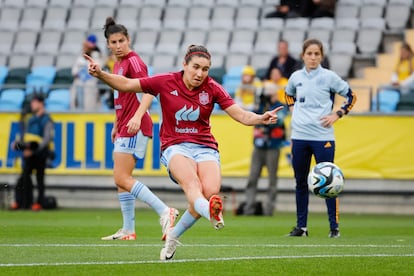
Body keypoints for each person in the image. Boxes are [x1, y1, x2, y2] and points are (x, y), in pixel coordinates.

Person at [85, 44, 283, 260]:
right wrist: (101, 74)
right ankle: (212, 213)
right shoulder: (165, 81)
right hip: (175, 147)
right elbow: (126, 84)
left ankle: (173, 237)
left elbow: (241, 115)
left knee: (209, 192)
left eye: (205, 69)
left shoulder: (213, 87)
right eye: (196, 67)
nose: (200, 73)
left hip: (205, 147)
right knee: (193, 186)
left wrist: (260, 118)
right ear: (184, 65)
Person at [99, 17, 179, 241]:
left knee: (121, 177)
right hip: (124, 126)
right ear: (108, 44)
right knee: (121, 179)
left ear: (128, 40)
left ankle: (165, 211)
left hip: (136, 126)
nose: (117, 46)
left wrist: (136, 116)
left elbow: (149, 91)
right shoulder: (117, 64)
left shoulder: (134, 62)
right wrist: (117, 123)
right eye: (113, 42)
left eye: (121, 41)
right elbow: (122, 96)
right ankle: (128, 229)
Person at [284, 39, 357, 238]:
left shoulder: (329, 77)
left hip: (323, 137)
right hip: (299, 136)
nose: (313, 57)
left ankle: (334, 228)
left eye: (317, 54)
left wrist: (337, 114)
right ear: (303, 56)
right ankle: (302, 228)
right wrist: (293, 110)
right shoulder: (296, 77)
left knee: (330, 184)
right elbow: (288, 94)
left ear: (321, 56)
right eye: (309, 53)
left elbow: (351, 96)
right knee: (300, 182)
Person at [242, 81, 288, 216]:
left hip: (273, 146)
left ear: (274, 93)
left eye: (269, 92)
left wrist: (267, 113)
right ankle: (248, 208)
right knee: (253, 177)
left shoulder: (280, 106)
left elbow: (278, 121)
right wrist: (259, 105)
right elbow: (251, 117)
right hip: (259, 145)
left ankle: (269, 209)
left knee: (272, 179)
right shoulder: (260, 105)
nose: (266, 95)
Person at [10, 94, 54, 211]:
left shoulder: (47, 120)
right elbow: (26, 138)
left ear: (41, 104)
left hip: (40, 154)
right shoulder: (31, 120)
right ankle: (24, 202)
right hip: (28, 154)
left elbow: (46, 140)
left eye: (34, 102)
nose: (32, 105)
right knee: (24, 177)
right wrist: (21, 146)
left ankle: (39, 202)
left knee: (40, 179)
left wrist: (33, 150)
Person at [70, 34, 104, 111]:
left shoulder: (97, 56)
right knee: (77, 105)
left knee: (90, 107)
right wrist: (79, 72)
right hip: (79, 83)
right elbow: (74, 71)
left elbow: (97, 69)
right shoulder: (80, 56)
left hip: (91, 85)